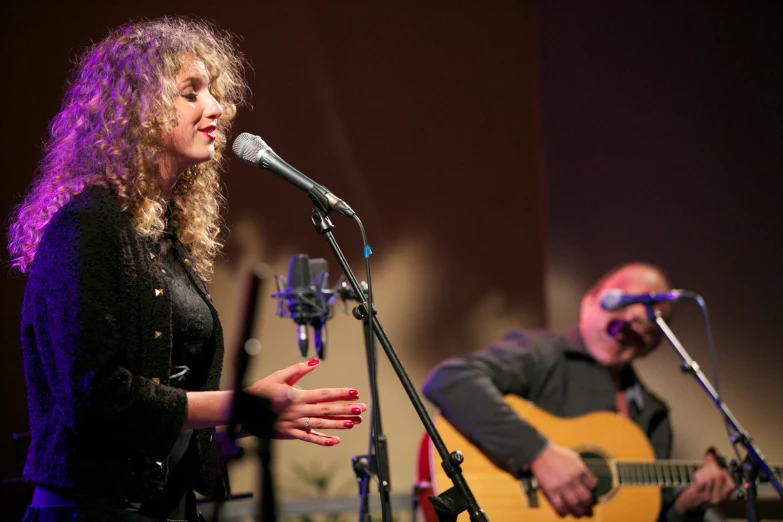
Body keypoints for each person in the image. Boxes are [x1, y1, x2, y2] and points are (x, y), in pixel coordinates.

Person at [6, 17, 366, 521]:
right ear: (136, 112)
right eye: (190, 92)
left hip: (166, 506)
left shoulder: (160, 236)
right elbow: (96, 397)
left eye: (213, 91)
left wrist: (249, 418)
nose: (216, 107)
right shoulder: (89, 226)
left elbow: (163, 402)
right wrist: (237, 405)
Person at [421, 262, 736, 521]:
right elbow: (449, 380)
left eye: (650, 323)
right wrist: (538, 453)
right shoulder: (541, 354)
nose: (633, 323)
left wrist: (686, 506)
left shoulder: (653, 414)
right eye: (622, 304)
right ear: (589, 302)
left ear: (653, 344)